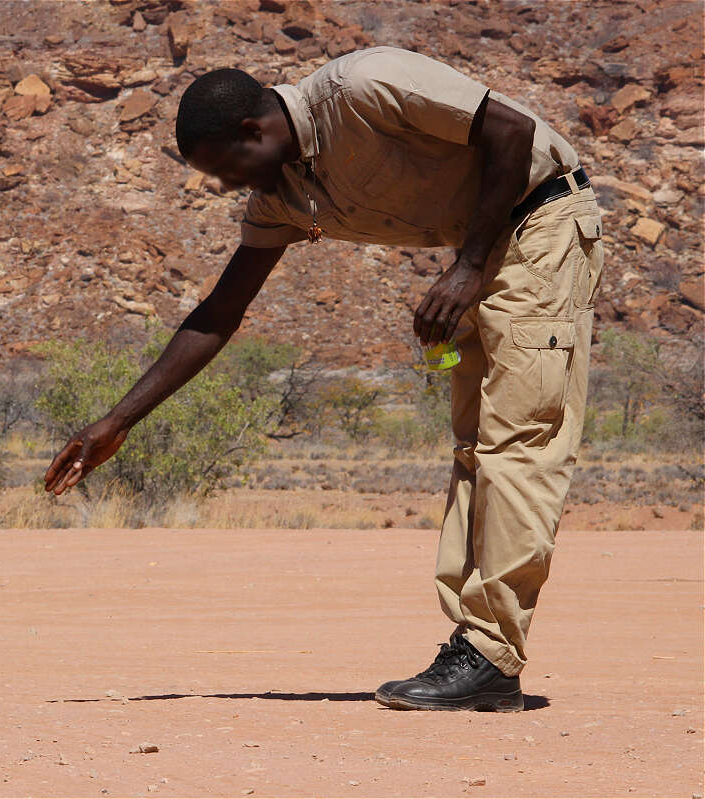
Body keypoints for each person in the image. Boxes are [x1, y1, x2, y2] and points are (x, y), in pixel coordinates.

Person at [43, 46, 603, 712]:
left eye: (226, 169)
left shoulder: (363, 87)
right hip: (476, 250)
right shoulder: (283, 197)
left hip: (539, 222)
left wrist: (467, 267)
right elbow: (220, 312)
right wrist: (117, 421)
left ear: (255, 130)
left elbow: (511, 130)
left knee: (518, 443)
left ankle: (490, 654)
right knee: (476, 449)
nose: (228, 187)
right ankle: (475, 646)